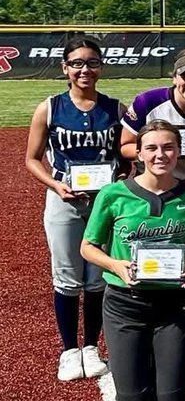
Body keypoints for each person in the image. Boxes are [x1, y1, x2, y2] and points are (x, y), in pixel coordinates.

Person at [79, 121, 185, 401]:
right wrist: (115, 264)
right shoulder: (113, 194)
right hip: (126, 303)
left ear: (179, 151)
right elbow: (87, 247)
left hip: (174, 305)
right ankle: (140, 358)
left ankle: (162, 358)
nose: (160, 155)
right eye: (151, 148)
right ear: (138, 153)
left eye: (168, 147)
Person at [25, 36, 124, 382]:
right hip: (64, 199)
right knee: (66, 275)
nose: (85, 69)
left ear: (101, 66)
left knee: (96, 276)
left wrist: (119, 183)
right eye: (77, 63)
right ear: (65, 68)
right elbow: (31, 159)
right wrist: (55, 184)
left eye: (92, 62)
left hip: (103, 203)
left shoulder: (115, 109)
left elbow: (124, 156)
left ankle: (91, 347)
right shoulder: (50, 107)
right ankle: (69, 350)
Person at [120, 46, 185, 365]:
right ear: (175, 75)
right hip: (152, 190)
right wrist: (154, 154)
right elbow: (124, 146)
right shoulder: (149, 102)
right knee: (153, 259)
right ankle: (153, 331)